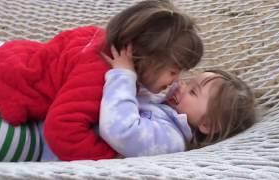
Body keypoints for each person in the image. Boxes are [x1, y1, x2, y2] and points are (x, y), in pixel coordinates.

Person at [0, 0, 203, 161]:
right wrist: (111, 159)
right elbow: (61, 131)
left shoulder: (99, 37)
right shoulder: (99, 77)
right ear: (146, 59)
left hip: (11, 55)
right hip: (7, 86)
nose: (177, 80)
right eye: (174, 71)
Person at [99, 45, 256, 157]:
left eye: (193, 92)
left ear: (207, 125)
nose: (182, 85)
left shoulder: (171, 140)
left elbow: (121, 131)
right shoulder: (166, 109)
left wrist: (123, 75)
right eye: (189, 83)